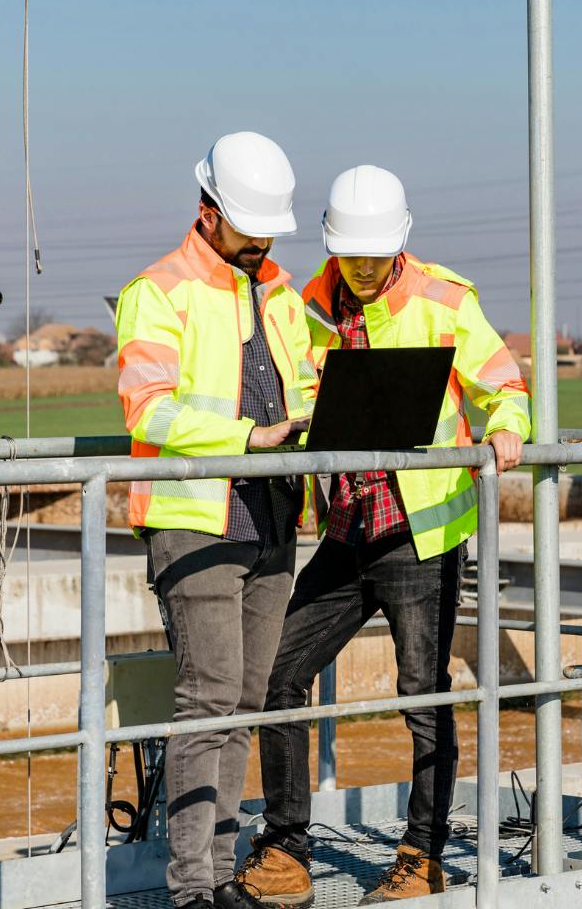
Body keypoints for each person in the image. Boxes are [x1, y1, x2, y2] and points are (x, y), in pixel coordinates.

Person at [236, 165, 530, 905]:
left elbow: (504, 382)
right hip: (345, 529)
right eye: (351, 256)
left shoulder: (444, 297)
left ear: (398, 243)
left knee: (421, 695)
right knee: (280, 676)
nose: (363, 270)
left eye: (374, 257)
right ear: (334, 247)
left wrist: (507, 428)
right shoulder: (307, 304)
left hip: (418, 534)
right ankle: (286, 848)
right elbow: (301, 392)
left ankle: (421, 856)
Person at [115, 131, 318, 909]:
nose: (262, 240)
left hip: (271, 514)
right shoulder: (157, 291)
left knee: (247, 701)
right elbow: (150, 409)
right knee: (209, 699)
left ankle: (224, 874)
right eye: (249, 226)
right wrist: (246, 437)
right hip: (196, 518)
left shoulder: (281, 292)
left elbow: (300, 384)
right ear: (207, 211)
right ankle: (190, 889)